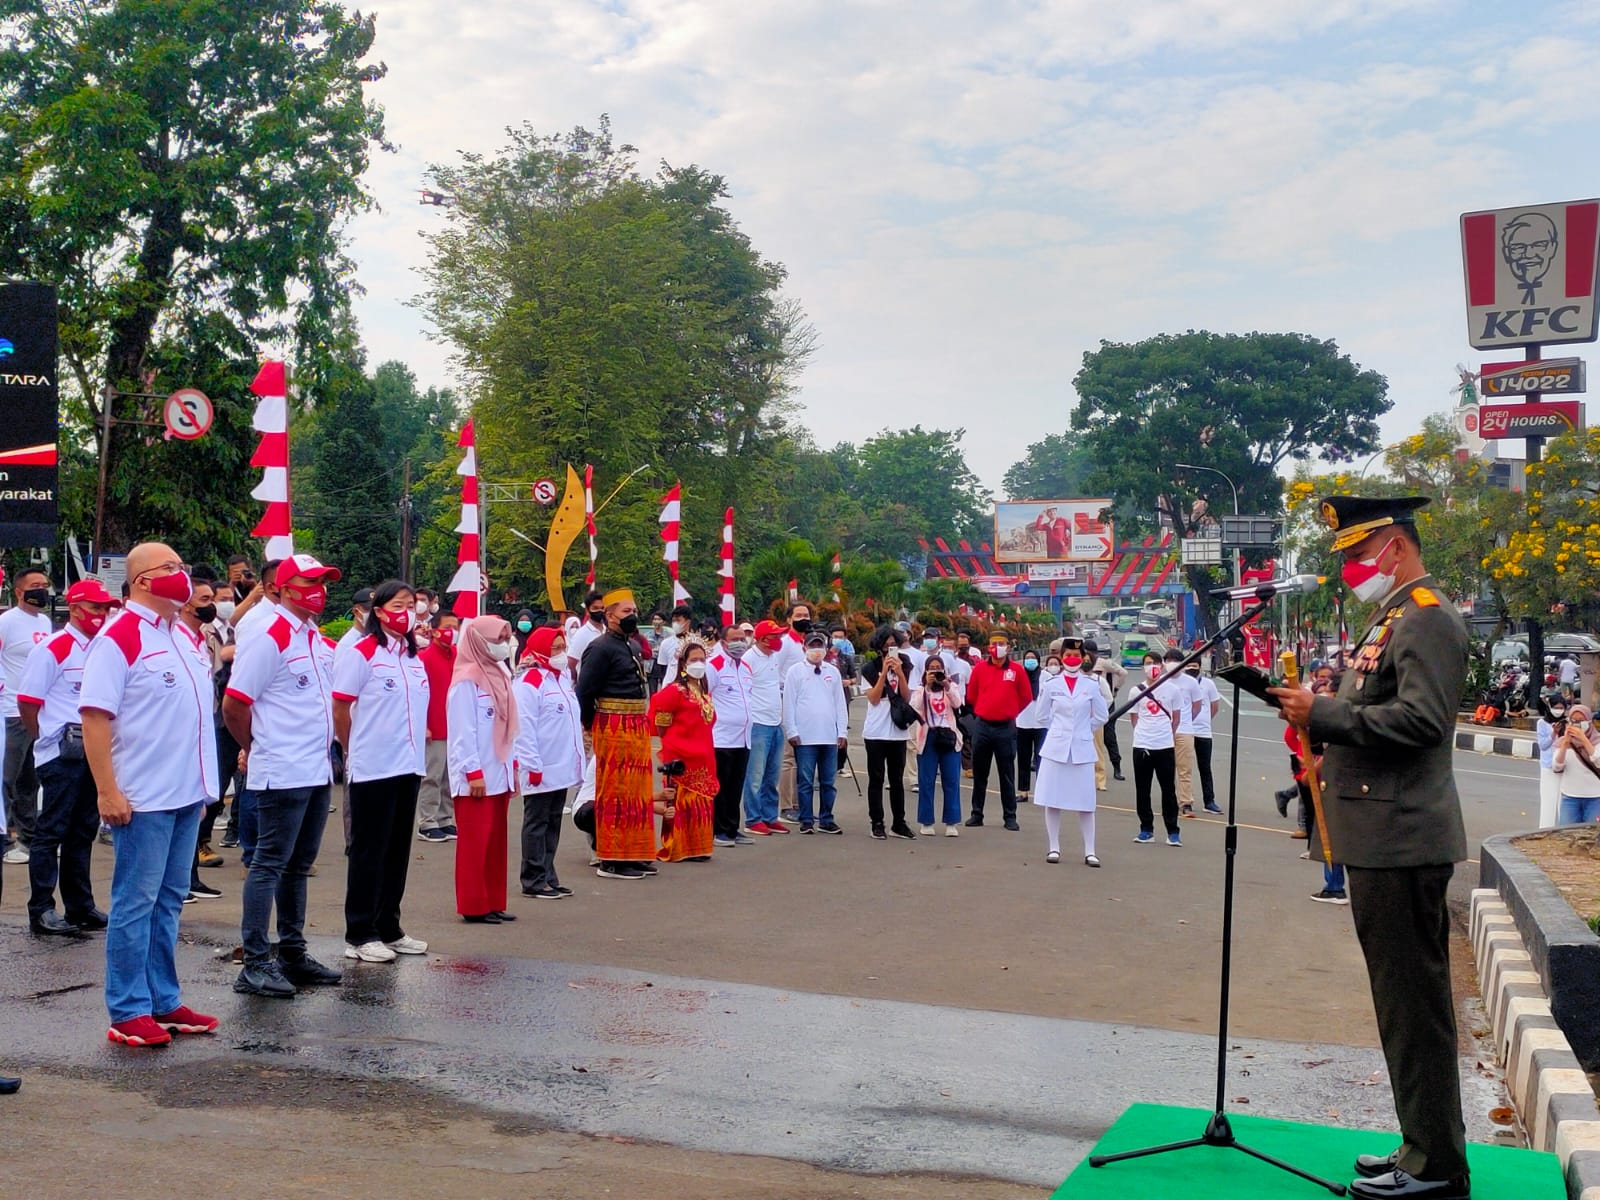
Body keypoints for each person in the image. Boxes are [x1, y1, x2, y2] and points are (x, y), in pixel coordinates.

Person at [1269, 493, 1471, 1200]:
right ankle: (1423, 1146)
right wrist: (1318, 719)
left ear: (1394, 545)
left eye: (1357, 554)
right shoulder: (1392, 617)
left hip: (1403, 838)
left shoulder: (1429, 619)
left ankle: (1439, 1168)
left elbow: (1420, 721)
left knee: (1414, 1007)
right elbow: (1373, 711)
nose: (1352, 568)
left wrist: (1324, 711)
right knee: (1400, 1004)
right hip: (1381, 834)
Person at [80, 544, 220, 1046]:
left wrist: (204, 787)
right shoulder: (118, 636)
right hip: (142, 796)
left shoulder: (182, 634)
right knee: (135, 902)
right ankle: (127, 1008)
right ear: (141, 580)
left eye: (183, 566)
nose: (181, 576)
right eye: (171, 569)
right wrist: (107, 791)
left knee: (168, 901)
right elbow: (95, 717)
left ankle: (164, 1000)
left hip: (185, 792)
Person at [223, 553, 344, 998]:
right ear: (283, 588)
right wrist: (255, 747)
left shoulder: (310, 635)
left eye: (323, 582)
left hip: (314, 767)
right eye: (310, 582)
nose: (320, 590)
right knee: (268, 864)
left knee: (298, 865)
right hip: (281, 766)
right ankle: (255, 962)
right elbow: (235, 703)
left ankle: (292, 952)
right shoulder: (271, 633)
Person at [331, 580, 431, 961]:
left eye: (414, 604)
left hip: (408, 764)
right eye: (400, 604)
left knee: (397, 849)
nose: (408, 611)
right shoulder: (361, 652)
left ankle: (389, 926)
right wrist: (351, 747)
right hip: (373, 765)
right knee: (369, 850)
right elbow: (341, 707)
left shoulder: (410, 655)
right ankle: (359, 933)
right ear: (380, 610)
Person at [17, 578, 115, 935]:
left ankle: (80, 906)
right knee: (52, 830)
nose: (101, 615)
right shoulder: (54, 648)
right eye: (95, 608)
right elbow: (28, 701)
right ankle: (41, 909)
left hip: (94, 750)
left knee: (83, 830)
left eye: (105, 609)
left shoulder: (105, 647)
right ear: (75, 609)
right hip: (62, 751)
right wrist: (45, 738)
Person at [576, 588, 657, 878]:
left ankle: (634, 852)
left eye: (634, 611)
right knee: (616, 792)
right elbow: (584, 691)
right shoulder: (599, 647)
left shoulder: (633, 646)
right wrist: (589, 724)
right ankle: (612, 858)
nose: (632, 616)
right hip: (612, 723)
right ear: (609, 615)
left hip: (636, 724)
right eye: (626, 611)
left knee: (637, 792)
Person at [443, 614, 518, 921]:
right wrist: (473, 772)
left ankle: (493, 901)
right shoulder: (466, 681)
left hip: (498, 772)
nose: (502, 646)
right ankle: (474, 906)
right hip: (476, 776)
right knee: (475, 845)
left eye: (504, 640)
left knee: (496, 844)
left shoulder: (499, 673)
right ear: (478, 641)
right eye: (496, 640)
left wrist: (511, 770)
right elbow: (463, 733)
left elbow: (507, 727)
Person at [512, 627, 580, 898]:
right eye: (555, 648)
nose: (561, 653)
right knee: (536, 823)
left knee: (553, 823)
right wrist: (532, 764)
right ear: (540, 649)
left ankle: (549, 875)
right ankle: (533, 879)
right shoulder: (529, 683)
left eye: (563, 647)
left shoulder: (562, 678)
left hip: (561, 765)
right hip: (539, 765)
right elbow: (523, 728)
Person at [172, 578, 225, 902]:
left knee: (197, 812)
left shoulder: (199, 638)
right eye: (204, 598)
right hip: (178, 745)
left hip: (202, 735)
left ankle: (190, 878)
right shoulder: (176, 637)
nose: (211, 605)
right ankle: (184, 879)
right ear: (186, 603)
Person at [1033, 638, 1108, 866]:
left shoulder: (1091, 685)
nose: (1072, 660)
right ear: (1062, 658)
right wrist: (1059, 729)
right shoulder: (1052, 685)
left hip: (1082, 748)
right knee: (1052, 799)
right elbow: (1041, 715)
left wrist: (1085, 729)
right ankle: (1054, 847)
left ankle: (1090, 850)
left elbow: (1102, 715)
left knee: (1085, 802)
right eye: (1068, 656)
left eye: (1077, 656)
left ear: (1083, 658)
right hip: (1056, 747)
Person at [1, 566, 54, 863]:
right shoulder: (7, 622)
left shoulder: (45, 622)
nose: (42, 590)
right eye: (35, 585)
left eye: (45, 585)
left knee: (30, 779)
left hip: (39, 712)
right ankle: (5, 837)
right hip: (11, 711)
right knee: (6, 778)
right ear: (20, 591)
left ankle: (28, 837)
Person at [649, 638, 719, 861]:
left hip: (704, 756)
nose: (699, 663)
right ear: (683, 664)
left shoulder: (703, 691)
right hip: (680, 756)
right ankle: (679, 848)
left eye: (702, 659)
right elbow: (661, 721)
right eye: (693, 660)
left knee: (701, 802)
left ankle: (698, 847)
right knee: (682, 804)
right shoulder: (674, 691)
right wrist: (669, 744)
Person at [963, 633, 1032, 831]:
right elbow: (972, 695)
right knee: (980, 773)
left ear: (1008, 647)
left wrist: (1010, 710)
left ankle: (1010, 816)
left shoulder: (1017, 670)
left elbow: (1026, 696)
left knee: (1007, 773)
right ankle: (977, 814)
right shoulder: (980, 669)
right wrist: (985, 709)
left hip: (1005, 727)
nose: (997, 647)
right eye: (994, 644)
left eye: (1001, 644)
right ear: (988, 647)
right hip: (983, 726)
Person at [782, 629, 848, 834]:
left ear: (826, 648)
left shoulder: (832, 671)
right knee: (805, 782)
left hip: (829, 737)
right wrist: (791, 730)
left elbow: (840, 703)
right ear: (804, 648)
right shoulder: (795, 671)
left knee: (828, 781)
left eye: (820, 646)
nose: (816, 650)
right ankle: (806, 820)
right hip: (805, 737)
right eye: (812, 646)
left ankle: (827, 819)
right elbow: (789, 703)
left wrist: (842, 732)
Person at [860, 627, 915, 840]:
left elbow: (906, 696)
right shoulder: (869, 668)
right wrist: (883, 673)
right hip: (876, 730)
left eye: (893, 644)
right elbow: (873, 698)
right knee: (876, 778)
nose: (890, 648)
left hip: (897, 730)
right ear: (879, 646)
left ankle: (899, 822)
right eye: (886, 645)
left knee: (896, 778)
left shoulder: (905, 663)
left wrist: (899, 672)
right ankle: (877, 822)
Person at [1128, 650, 1182, 846]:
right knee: (1143, 790)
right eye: (1148, 663)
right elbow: (1134, 718)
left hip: (1164, 745)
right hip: (1142, 745)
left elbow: (1176, 718)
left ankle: (1173, 831)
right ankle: (1146, 829)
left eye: (1155, 663)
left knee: (1168, 790)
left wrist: (1164, 734)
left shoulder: (1172, 690)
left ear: (1161, 666)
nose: (1151, 667)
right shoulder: (1136, 691)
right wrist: (1145, 734)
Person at [705, 627, 753, 845]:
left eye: (743, 639)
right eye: (735, 640)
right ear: (723, 643)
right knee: (721, 786)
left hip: (744, 737)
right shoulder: (713, 666)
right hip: (721, 737)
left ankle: (732, 827)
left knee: (736, 785)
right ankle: (719, 829)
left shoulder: (745, 667)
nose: (740, 643)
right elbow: (704, 698)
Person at [416, 610, 460, 843]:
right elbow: (418, 694)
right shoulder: (424, 658)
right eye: (447, 626)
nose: (452, 632)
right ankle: (427, 821)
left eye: (456, 626)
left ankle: (445, 818)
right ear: (434, 631)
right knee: (432, 776)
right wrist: (423, 725)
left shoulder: (457, 655)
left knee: (449, 777)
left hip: (454, 726)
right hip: (433, 726)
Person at [741, 620, 789, 835]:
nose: (779, 640)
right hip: (758, 723)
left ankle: (770, 816)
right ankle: (753, 818)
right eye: (775, 637)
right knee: (755, 776)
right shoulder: (749, 659)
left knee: (772, 774)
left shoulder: (774, 657)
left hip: (775, 721)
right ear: (762, 639)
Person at [911, 656, 964, 835]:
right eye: (931, 668)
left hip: (948, 736)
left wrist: (947, 686)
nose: (935, 671)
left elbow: (958, 703)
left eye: (938, 668)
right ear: (925, 671)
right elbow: (915, 706)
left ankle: (952, 822)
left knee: (951, 780)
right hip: (928, 737)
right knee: (926, 781)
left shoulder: (951, 686)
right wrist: (926, 686)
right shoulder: (920, 690)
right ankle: (926, 822)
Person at [774, 601, 813, 823]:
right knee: (788, 756)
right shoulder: (784, 644)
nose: (802, 618)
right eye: (798, 615)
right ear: (789, 619)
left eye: (806, 614)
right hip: (786, 701)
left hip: (806, 704)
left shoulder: (808, 643)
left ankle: (800, 804)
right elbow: (775, 672)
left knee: (803, 755)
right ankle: (786, 805)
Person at [1165, 648, 1204, 818]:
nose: (1172, 664)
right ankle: (1169, 801)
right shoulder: (1160, 681)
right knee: (1166, 769)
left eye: (1176, 661)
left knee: (1185, 769)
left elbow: (1197, 706)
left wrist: (1185, 721)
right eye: (1169, 660)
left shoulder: (1190, 682)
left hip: (1185, 730)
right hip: (1164, 732)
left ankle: (1186, 803)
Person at [1186, 659, 1223, 814]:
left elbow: (1215, 707)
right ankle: (1184, 800)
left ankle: (1209, 801)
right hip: (1185, 731)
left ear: (1200, 668)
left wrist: (1205, 719)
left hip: (1204, 732)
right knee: (1184, 768)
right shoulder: (1182, 683)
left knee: (1205, 768)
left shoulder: (1208, 684)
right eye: (1189, 666)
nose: (1192, 669)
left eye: (1195, 666)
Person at [1085, 640, 1125, 781]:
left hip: (1105, 702)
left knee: (1109, 737)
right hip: (1088, 705)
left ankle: (1116, 767)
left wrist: (1115, 689)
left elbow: (1123, 673)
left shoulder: (1102, 663)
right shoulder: (1080, 664)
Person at [1554, 704, 1600, 823]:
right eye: (1573, 721)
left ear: (1589, 722)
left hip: (1595, 798)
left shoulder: (1597, 741)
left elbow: (1598, 761)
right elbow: (1556, 766)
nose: (1577, 724)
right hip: (1570, 797)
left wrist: (1584, 739)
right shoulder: (1563, 741)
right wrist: (1565, 744)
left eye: (1581, 721)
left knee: (1591, 837)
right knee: (1566, 835)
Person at [1014, 648, 1045, 800]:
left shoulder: (1045, 676)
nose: (1030, 660)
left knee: (1041, 759)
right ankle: (1023, 791)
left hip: (1041, 723)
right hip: (1022, 722)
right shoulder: (1019, 675)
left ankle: (1041, 791)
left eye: (1033, 657)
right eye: (1027, 658)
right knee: (1023, 759)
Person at [1536, 698, 1567, 829]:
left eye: (1561, 708)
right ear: (1549, 707)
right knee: (1548, 801)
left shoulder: (1567, 723)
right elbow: (1543, 746)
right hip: (1548, 767)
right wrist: (1553, 733)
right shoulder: (1542, 723)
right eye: (1556, 707)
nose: (1558, 711)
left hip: (1564, 767)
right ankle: (1545, 829)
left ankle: (1563, 830)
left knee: (1563, 803)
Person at [566, 589, 609, 678]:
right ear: (587, 610)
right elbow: (571, 663)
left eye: (602, 608)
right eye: (595, 608)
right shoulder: (581, 635)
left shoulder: (608, 631)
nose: (599, 611)